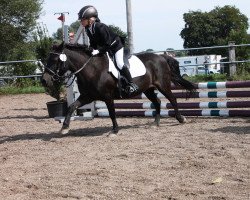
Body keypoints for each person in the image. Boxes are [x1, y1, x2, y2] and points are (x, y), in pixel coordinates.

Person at [78, 5, 138, 95]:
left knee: (119, 63)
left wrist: (98, 51)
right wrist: (90, 50)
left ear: (90, 19)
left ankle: (132, 83)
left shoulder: (100, 27)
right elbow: (93, 44)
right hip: (106, 48)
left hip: (116, 47)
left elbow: (108, 44)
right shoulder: (88, 29)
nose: (81, 22)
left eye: (83, 19)